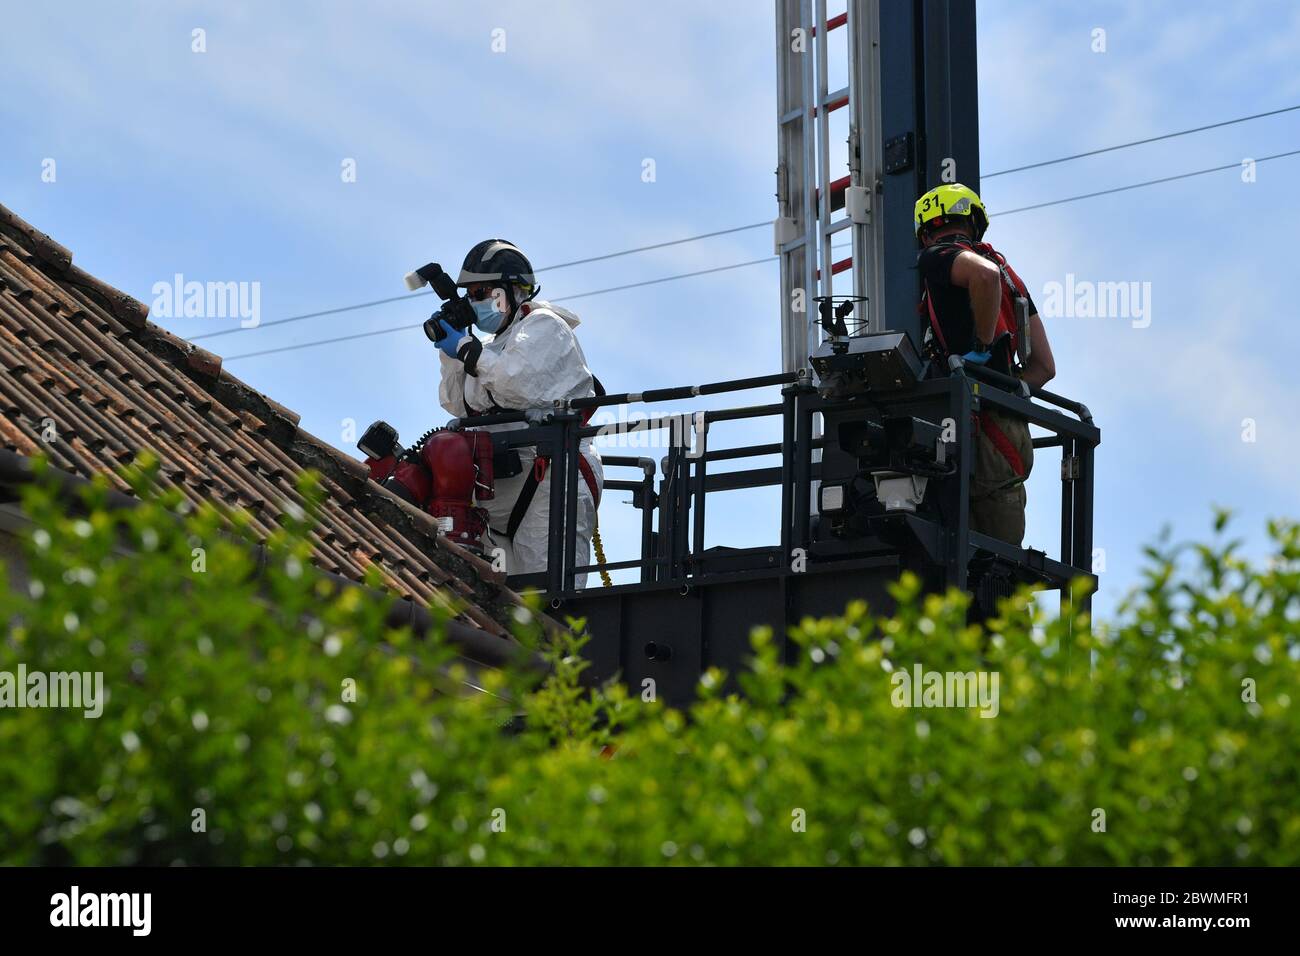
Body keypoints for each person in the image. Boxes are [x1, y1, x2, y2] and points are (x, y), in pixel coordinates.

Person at [433, 239, 604, 585]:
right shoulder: (493, 347)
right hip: (502, 487)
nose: (475, 301)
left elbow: (517, 383)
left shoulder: (545, 327)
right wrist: (451, 351)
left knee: (548, 600)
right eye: (471, 294)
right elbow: (457, 402)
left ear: (512, 291)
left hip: (551, 480)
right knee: (500, 601)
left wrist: (467, 349)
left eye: (482, 291)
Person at [913, 183, 1056, 547]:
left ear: (926, 231)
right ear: (975, 221)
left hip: (978, 430)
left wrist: (980, 347)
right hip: (1011, 432)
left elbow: (983, 277)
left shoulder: (938, 256)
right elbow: (1044, 366)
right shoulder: (1010, 275)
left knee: (957, 560)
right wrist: (1005, 388)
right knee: (999, 565)